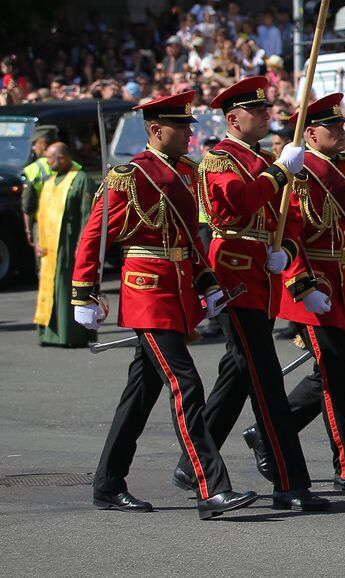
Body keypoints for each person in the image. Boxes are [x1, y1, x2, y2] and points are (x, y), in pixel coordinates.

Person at [74, 92, 258, 519]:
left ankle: (107, 483)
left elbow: (189, 240)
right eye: (183, 127)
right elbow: (93, 235)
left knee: (140, 393)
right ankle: (210, 486)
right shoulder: (129, 175)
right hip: (146, 290)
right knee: (185, 384)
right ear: (156, 130)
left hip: (175, 290)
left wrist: (206, 282)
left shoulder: (188, 172)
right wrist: (84, 292)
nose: (191, 134)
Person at [175, 75, 328, 512]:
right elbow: (234, 205)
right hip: (234, 274)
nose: (265, 116)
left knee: (239, 371)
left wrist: (287, 250)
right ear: (233, 118)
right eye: (256, 111)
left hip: (261, 271)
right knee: (264, 379)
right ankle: (289, 482)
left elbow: (282, 218)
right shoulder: (219, 159)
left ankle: (192, 465)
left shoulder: (259, 157)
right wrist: (280, 171)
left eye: (265, 110)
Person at [249, 93, 345, 494]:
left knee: (332, 373)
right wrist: (302, 285)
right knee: (334, 377)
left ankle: (267, 431)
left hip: (343, 283)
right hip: (314, 287)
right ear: (309, 133)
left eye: (343, 125)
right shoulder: (299, 170)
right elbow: (287, 234)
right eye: (333, 127)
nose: (342, 131)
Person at [32, 142, 97, 347]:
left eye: (50, 158)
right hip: (50, 246)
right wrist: (37, 241)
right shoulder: (50, 181)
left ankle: (71, 335)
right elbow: (41, 215)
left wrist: (83, 244)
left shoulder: (80, 179)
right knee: (50, 288)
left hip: (70, 243)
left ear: (62, 157)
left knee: (67, 288)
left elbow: (88, 215)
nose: (47, 162)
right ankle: (50, 334)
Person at [20, 125, 57, 248]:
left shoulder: (33, 170)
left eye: (35, 144)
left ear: (43, 144)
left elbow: (28, 206)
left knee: (45, 265)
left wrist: (28, 230)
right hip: (69, 225)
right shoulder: (74, 167)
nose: (33, 148)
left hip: (43, 227)